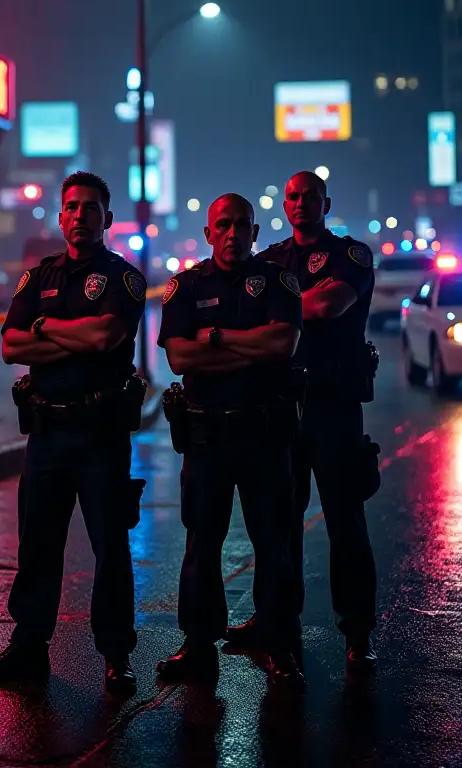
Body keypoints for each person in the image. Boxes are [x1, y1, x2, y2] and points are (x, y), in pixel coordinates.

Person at [0, 171, 148, 695]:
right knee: (37, 547)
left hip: (99, 435)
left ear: (106, 218)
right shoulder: (37, 277)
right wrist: (69, 335)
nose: (80, 216)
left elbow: (106, 335)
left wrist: (45, 329)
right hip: (45, 434)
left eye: (91, 208)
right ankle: (28, 646)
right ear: (61, 214)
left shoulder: (123, 278)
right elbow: (10, 347)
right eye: (72, 207)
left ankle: (116, 654)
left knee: (109, 548)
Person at [156, 193, 304, 687]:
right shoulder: (185, 287)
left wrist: (216, 340)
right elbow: (178, 357)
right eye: (224, 224)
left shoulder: (279, 281)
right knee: (201, 546)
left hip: (264, 436)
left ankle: (278, 644)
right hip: (207, 438)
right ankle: (197, 646)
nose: (233, 233)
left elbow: (282, 344)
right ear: (208, 233)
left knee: (273, 544)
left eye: (242, 224)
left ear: (255, 232)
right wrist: (251, 348)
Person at [233, 170, 378, 671]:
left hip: (334, 407)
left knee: (346, 524)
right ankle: (272, 622)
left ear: (326, 202)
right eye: (292, 197)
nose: (299, 204)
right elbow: (245, 313)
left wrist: (276, 312)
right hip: (280, 409)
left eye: (309, 196)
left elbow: (329, 303)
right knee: (277, 527)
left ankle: (357, 632)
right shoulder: (270, 259)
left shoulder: (351, 255)